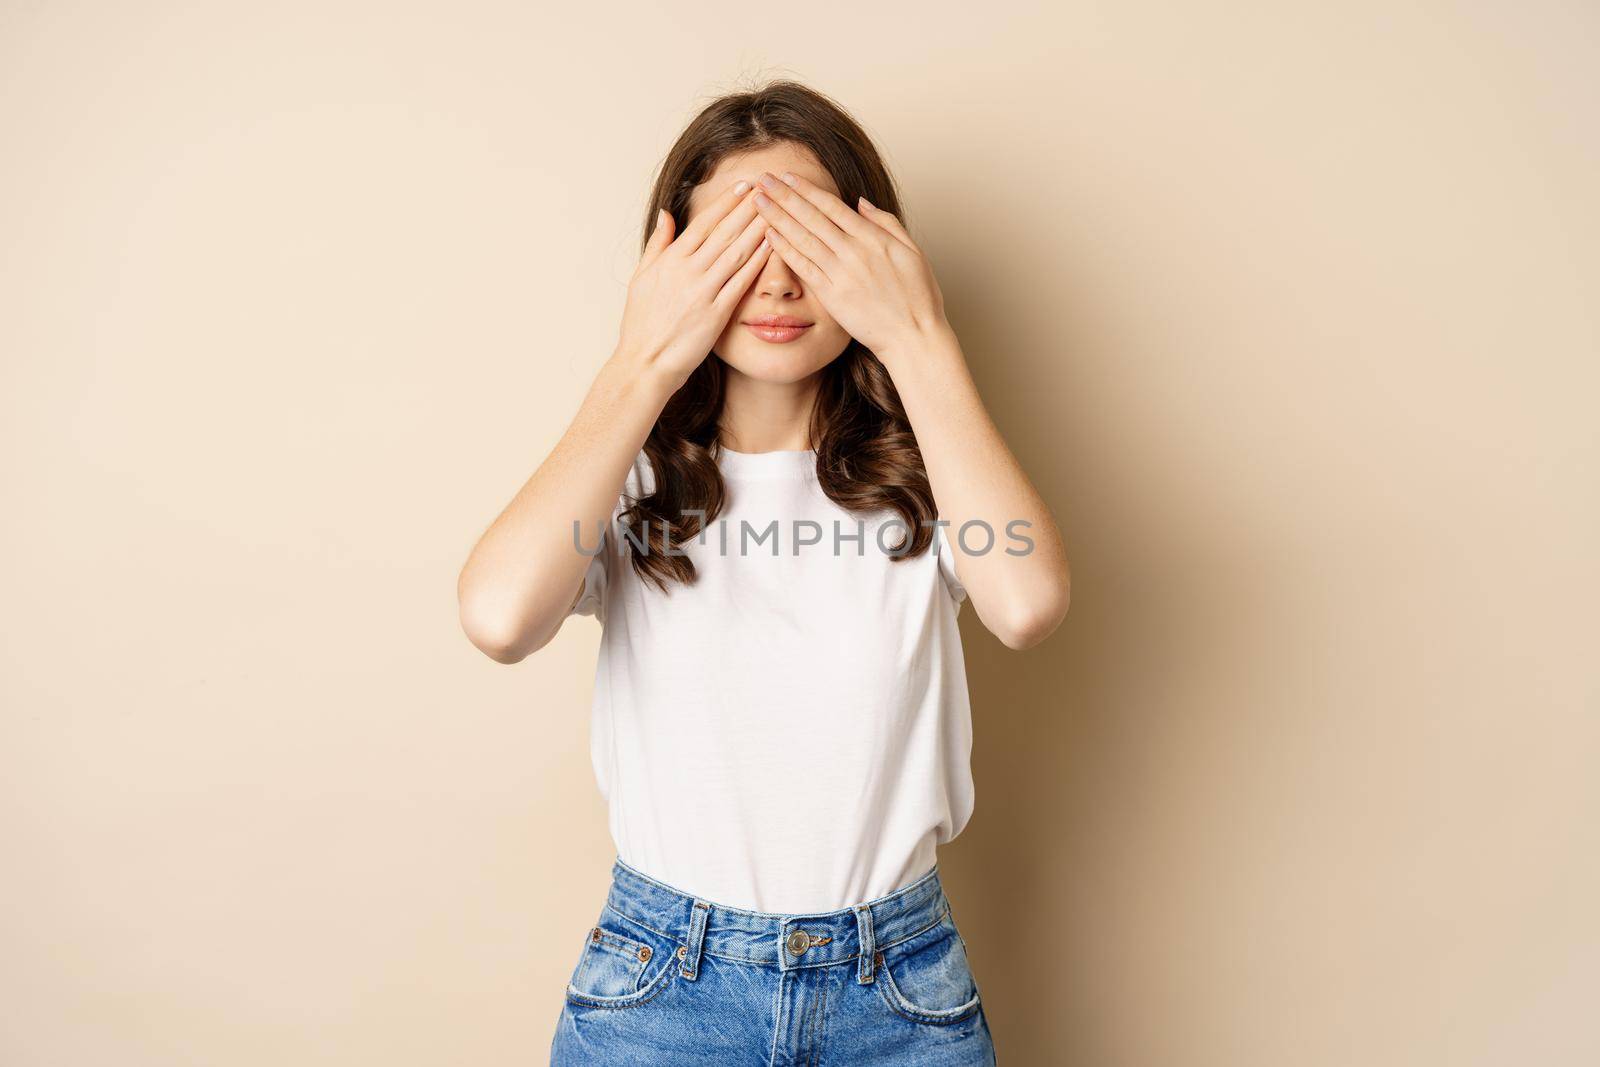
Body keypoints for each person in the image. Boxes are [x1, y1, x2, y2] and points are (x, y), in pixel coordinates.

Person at [457, 80, 1069, 1066]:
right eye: (737, 245)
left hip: (898, 989)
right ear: (673, 266)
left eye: (812, 240)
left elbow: (1028, 601)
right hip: (662, 989)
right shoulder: (628, 480)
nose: (779, 283)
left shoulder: (932, 476)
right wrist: (642, 356)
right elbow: (495, 616)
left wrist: (916, 333)